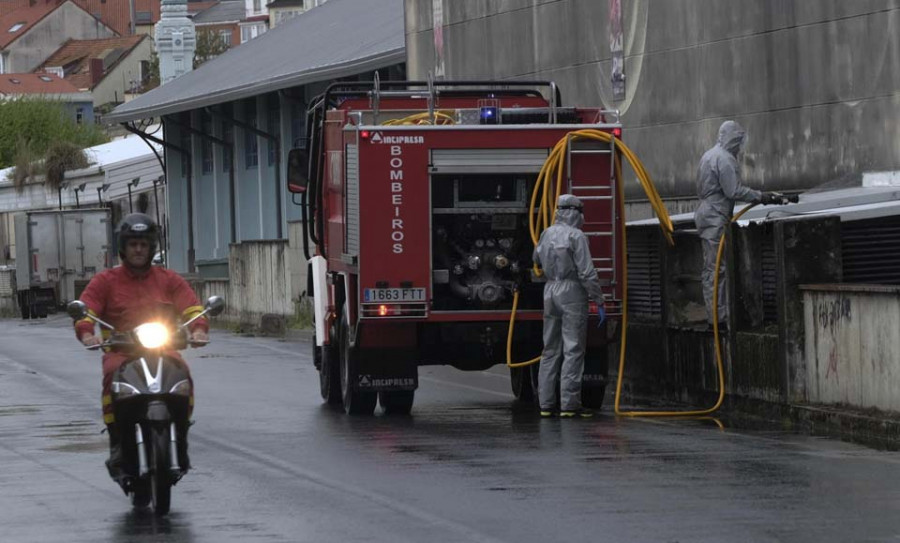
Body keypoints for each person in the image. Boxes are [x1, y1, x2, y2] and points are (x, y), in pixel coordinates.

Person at [74, 213, 208, 476]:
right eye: (133, 243)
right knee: (111, 375)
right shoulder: (105, 281)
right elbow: (85, 310)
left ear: (151, 247)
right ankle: (117, 442)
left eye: (143, 244)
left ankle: (180, 433)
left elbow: (192, 307)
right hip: (122, 354)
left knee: (184, 374)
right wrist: (89, 334)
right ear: (123, 247)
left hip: (163, 350)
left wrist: (199, 330)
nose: (138, 249)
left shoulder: (169, 279)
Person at [694, 120, 779, 327]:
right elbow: (733, 191)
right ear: (733, 138)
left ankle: (716, 313)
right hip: (716, 216)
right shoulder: (725, 160)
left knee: (711, 269)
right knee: (718, 270)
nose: (740, 146)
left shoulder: (708, 155)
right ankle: (721, 318)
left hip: (706, 215)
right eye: (739, 140)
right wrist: (761, 196)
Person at [533, 194, 605, 418]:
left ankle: (545, 404)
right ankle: (569, 404)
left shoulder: (546, 233)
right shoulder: (577, 236)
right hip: (572, 291)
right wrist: (599, 299)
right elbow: (586, 272)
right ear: (575, 212)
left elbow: (536, 259)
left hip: (550, 290)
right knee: (573, 349)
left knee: (550, 349)